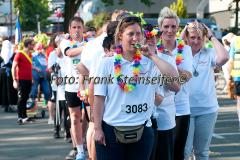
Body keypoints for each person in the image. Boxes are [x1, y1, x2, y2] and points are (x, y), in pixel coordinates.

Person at [93, 15, 178, 160]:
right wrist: (97, 129)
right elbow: (99, 98)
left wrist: (152, 56)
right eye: (130, 34)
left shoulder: (150, 62)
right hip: (112, 131)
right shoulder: (107, 63)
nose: (135, 38)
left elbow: (176, 85)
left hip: (143, 130)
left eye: (138, 34)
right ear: (120, 36)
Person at [181, 20, 229, 160]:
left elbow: (224, 57)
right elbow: (171, 48)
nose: (196, 41)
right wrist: (181, 35)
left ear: (204, 38)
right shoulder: (180, 53)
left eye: (199, 38)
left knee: (202, 152)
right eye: (192, 37)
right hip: (186, 111)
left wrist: (212, 36)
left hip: (207, 111)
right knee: (185, 151)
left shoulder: (209, 53)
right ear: (187, 38)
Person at [154, 7, 192, 160]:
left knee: (178, 152)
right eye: (166, 26)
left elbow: (187, 76)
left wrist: (170, 66)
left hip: (181, 107)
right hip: (160, 108)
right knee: (160, 152)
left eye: (173, 27)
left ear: (178, 28)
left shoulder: (186, 49)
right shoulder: (153, 50)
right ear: (160, 28)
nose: (170, 30)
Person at [59, 16, 86, 160]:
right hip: (71, 87)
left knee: (88, 119)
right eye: (74, 27)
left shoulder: (89, 42)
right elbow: (69, 53)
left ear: (83, 29)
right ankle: (79, 150)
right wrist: (86, 48)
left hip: (88, 87)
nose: (76, 30)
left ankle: (85, 144)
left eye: (79, 27)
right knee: (75, 119)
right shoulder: (65, 42)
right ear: (69, 29)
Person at [11, 38, 35, 124]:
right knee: (21, 98)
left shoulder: (30, 55)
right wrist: (14, 80)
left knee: (25, 98)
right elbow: (13, 67)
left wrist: (31, 78)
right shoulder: (19, 54)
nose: (34, 46)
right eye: (32, 44)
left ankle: (24, 116)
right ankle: (19, 117)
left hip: (28, 79)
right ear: (28, 45)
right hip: (21, 79)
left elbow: (28, 67)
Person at [228, 33, 240, 123]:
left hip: (238, 76)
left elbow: (231, 60)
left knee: (239, 101)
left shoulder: (235, 41)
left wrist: (229, 74)